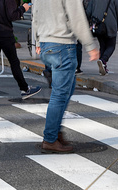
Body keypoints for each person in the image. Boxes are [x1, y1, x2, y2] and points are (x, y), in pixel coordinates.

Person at [33, 0, 100, 154]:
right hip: (62, 45)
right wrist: (90, 45)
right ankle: (50, 139)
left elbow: (35, 15)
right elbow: (77, 17)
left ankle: (55, 132)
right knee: (60, 94)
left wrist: (37, 40)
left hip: (46, 43)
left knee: (66, 90)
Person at [0, 0, 41, 100]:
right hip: (5, 33)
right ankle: (25, 89)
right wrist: (23, 8)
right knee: (14, 62)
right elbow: (12, 15)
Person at [87, 0, 118, 75]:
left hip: (98, 24)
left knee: (102, 45)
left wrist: (90, 23)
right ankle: (103, 60)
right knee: (111, 46)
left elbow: (88, 11)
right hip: (111, 24)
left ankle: (103, 67)